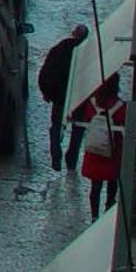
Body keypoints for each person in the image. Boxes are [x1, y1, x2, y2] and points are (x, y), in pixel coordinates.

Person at [71, 73, 127, 217]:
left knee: (95, 186)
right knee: (112, 182)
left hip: (95, 151)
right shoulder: (121, 107)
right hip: (113, 152)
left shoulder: (92, 104)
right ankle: (109, 206)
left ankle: (94, 215)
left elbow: (85, 118)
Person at [36, 24, 89, 167]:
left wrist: (46, 92)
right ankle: (71, 159)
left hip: (59, 97)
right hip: (80, 98)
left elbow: (45, 72)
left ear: (73, 33)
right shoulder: (89, 53)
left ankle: (56, 156)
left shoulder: (59, 49)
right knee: (78, 128)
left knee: (56, 126)